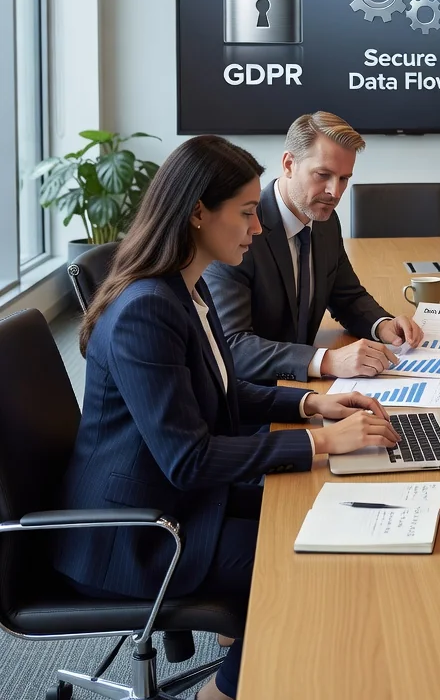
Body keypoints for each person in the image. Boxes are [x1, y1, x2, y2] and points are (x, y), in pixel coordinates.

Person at [54, 136, 400, 700]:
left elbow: (221, 386)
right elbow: (189, 459)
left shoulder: (183, 286)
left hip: (173, 496)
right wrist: (320, 444)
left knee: (322, 514)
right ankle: (225, 691)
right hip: (136, 531)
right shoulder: (147, 308)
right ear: (196, 214)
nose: (258, 226)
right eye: (245, 213)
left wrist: (312, 405)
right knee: (306, 563)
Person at [205, 112, 423, 384]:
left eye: (344, 178)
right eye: (323, 175)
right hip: (253, 396)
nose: (336, 192)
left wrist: (383, 326)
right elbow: (232, 346)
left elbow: (347, 296)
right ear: (288, 164)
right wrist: (327, 360)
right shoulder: (241, 227)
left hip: (302, 387)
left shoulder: (325, 220)